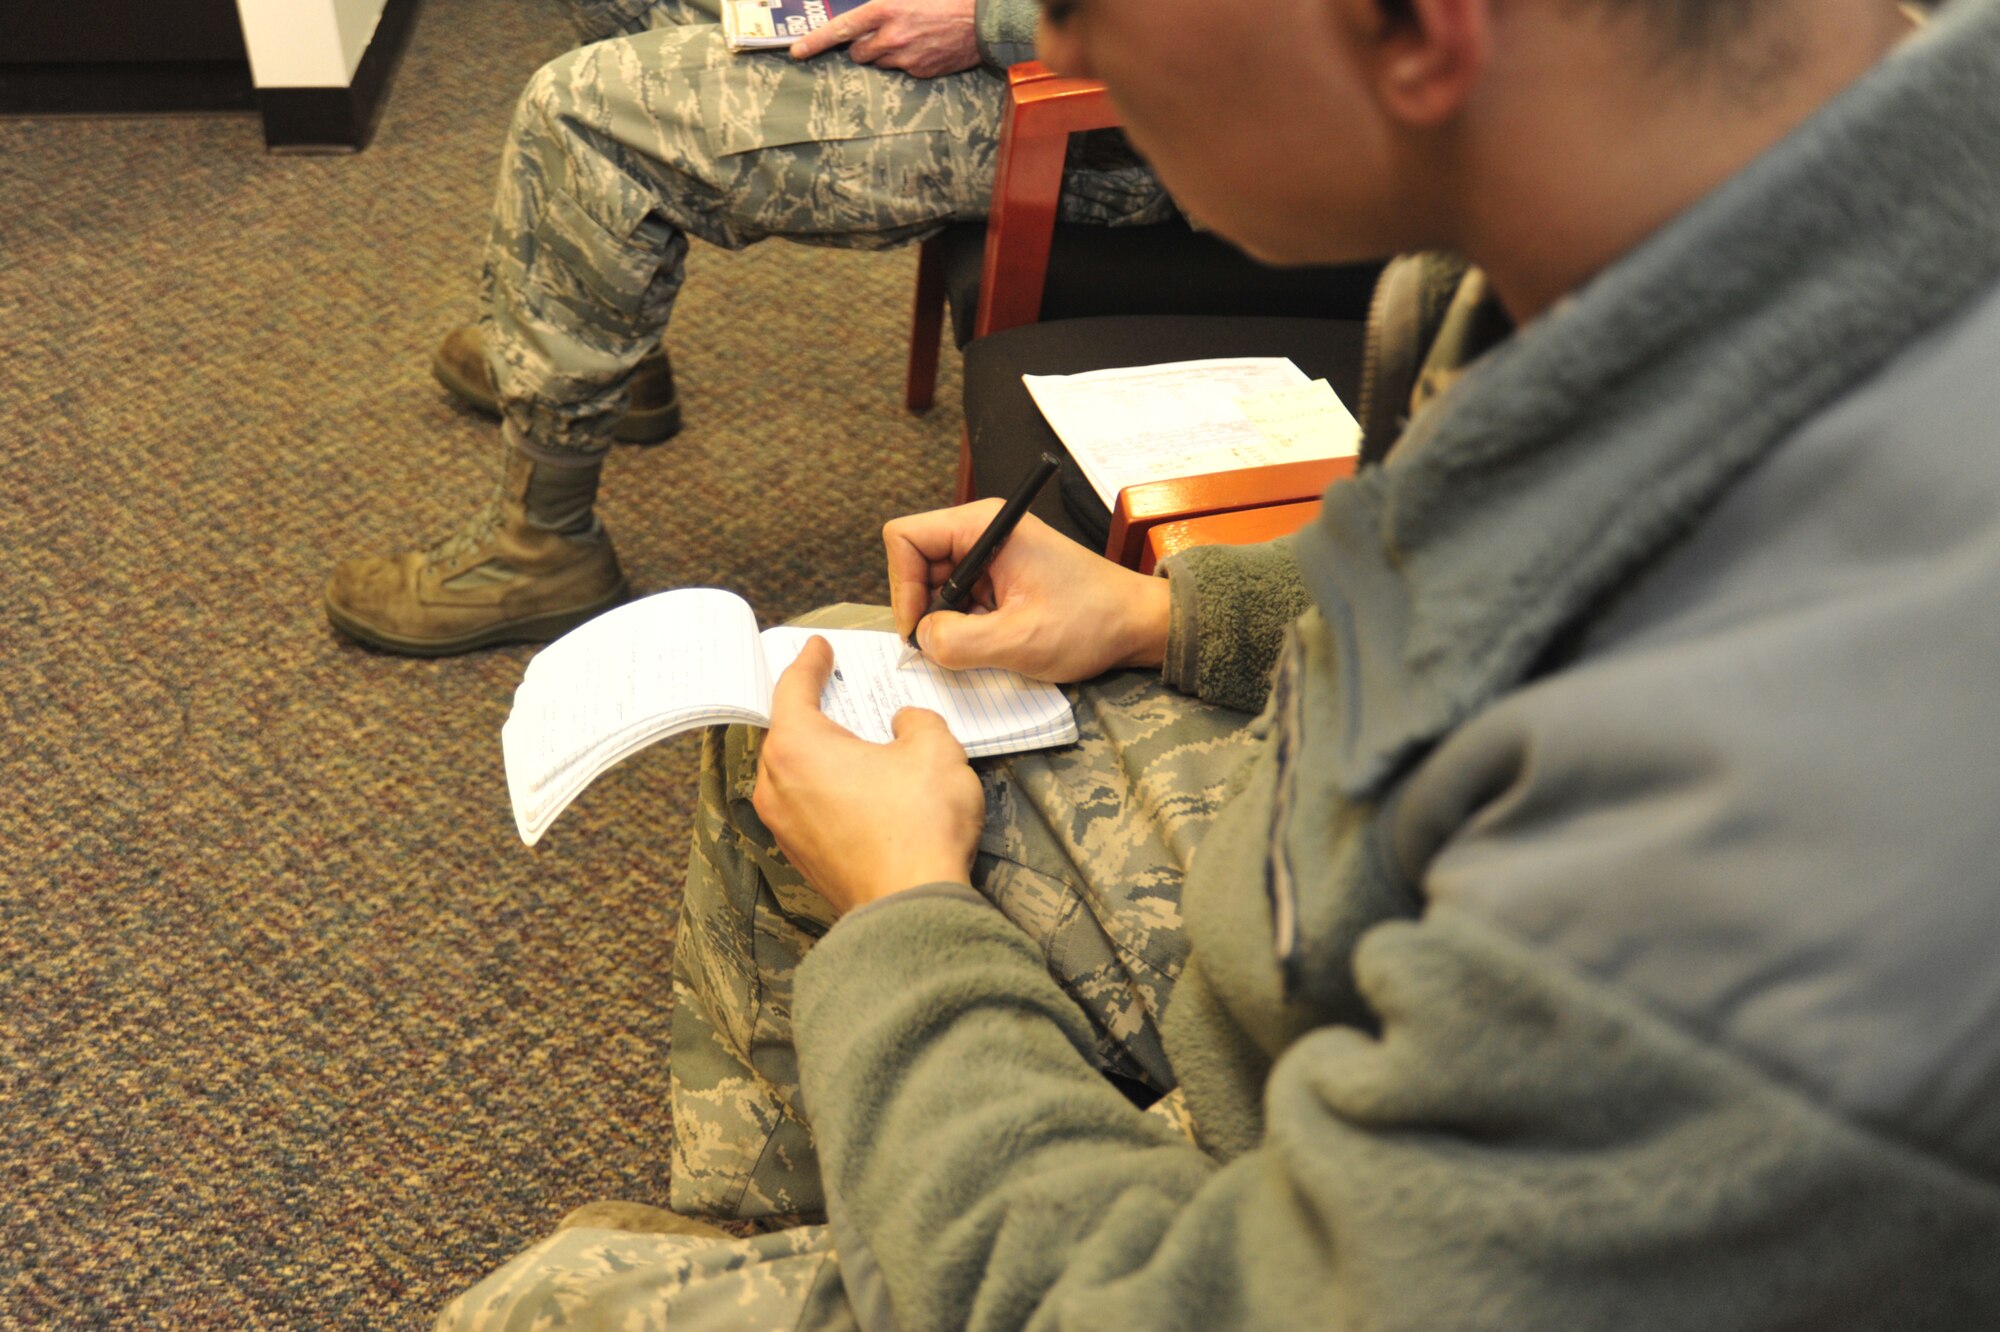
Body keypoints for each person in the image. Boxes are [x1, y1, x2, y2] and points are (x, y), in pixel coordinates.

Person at [439, 0, 2000, 1326]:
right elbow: (1474, 576)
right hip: (1336, 933)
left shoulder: (1795, 841)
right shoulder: (1711, 197)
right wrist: (1163, 613)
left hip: (1293, 1220)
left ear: (1409, 26)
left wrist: (909, 934)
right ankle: (834, 1222)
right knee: (836, 686)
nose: (1051, 37)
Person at [322, 0, 1167, 656]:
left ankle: (540, 544)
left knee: (580, 113)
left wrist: (989, 21)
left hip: (1117, 95)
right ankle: (599, 330)